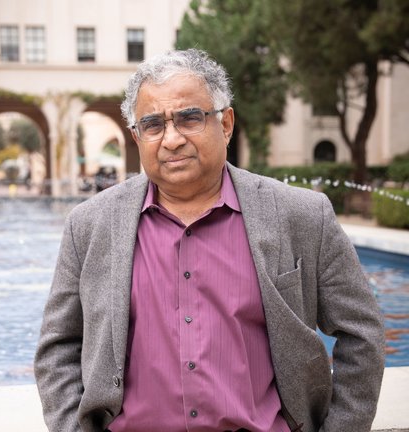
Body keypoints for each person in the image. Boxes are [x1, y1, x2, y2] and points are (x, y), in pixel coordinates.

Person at [34, 49, 385, 432]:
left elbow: (361, 334)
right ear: (137, 136)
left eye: (189, 118)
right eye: (153, 125)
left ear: (226, 123)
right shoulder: (88, 225)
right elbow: (58, 348)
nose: (171, 139)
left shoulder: (303, 216)